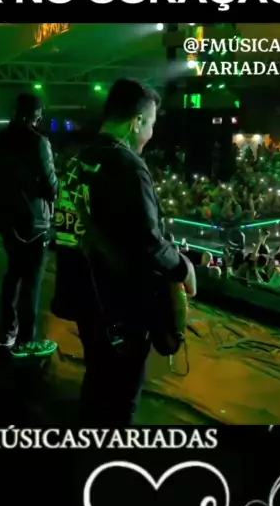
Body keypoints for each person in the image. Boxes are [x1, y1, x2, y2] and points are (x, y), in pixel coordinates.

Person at [62, 79, 196, 425]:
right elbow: (148, 241)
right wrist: (184, 267)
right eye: (150, 123)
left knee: (97, 382)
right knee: (122, 397)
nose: (151, 133)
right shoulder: (128, 166)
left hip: (84, 292)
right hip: (120, 303)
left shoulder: (83, 157)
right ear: (136, 121)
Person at [0, 93, 58, 358]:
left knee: (13, 273)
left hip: (5, 218)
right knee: (31, 280)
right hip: (34, 221)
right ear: (37, 115)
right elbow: (51, 187)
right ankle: (26, 340)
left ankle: (7, 333)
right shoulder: (39, 142)